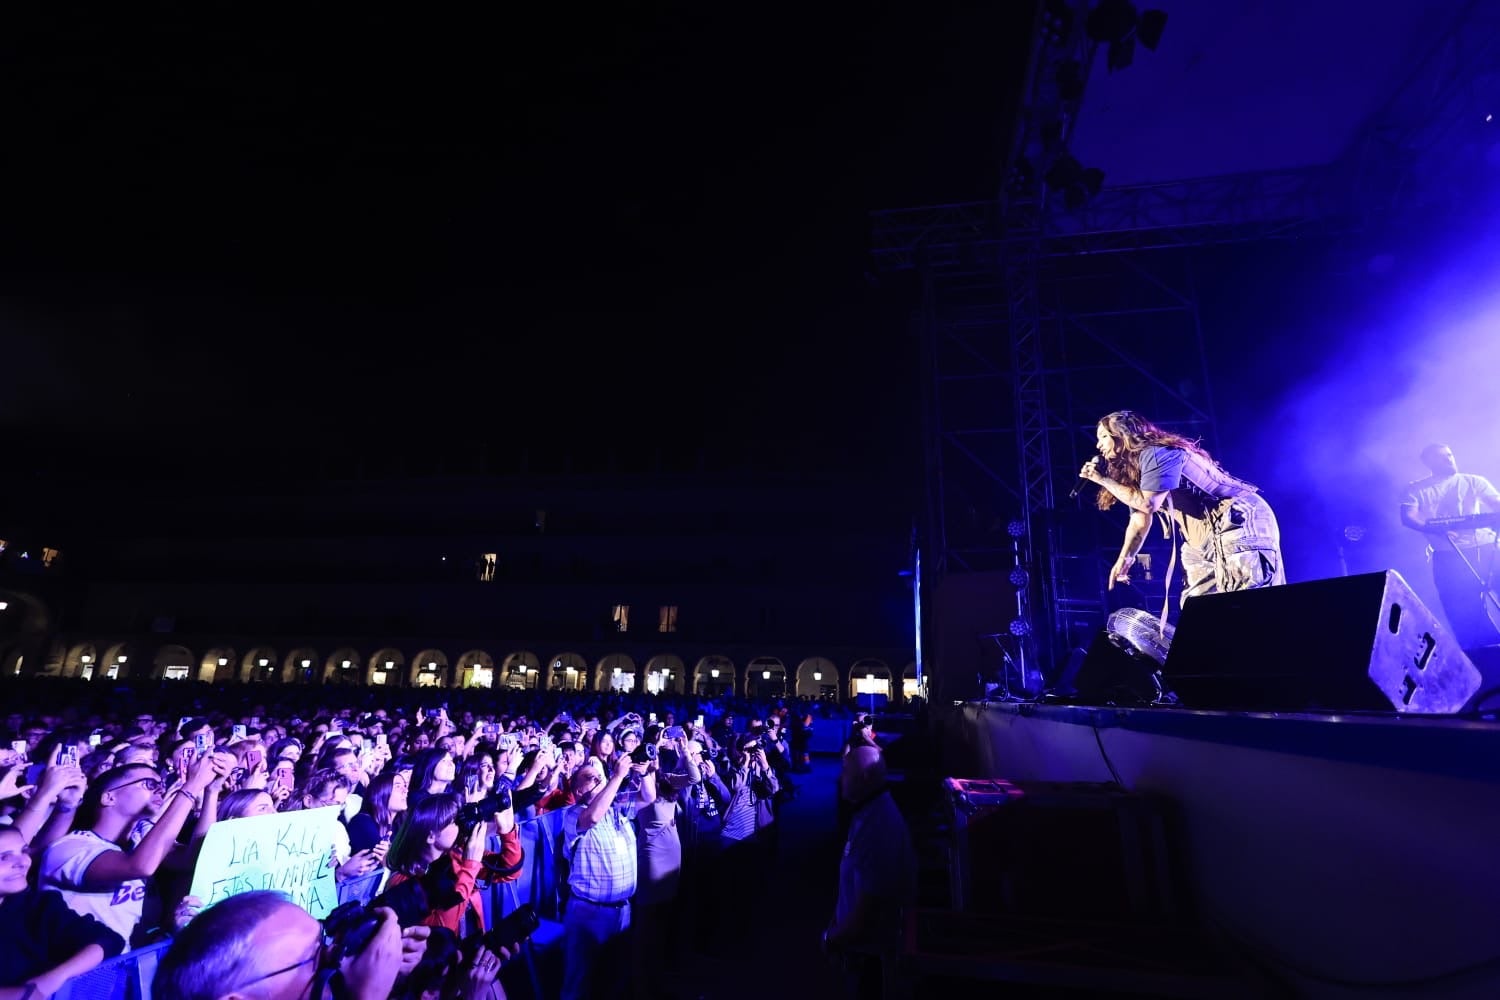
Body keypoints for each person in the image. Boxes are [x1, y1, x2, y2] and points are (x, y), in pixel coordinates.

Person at [1081, 410, 1285, 605]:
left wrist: (1103, 480)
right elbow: (1139, 517)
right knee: (1199, 609)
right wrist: (1125, 559)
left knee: (1247, 599)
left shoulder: (1157, 453)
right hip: (1201, 539)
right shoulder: (1137, 469)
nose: (1098, 445)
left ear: (1122, 435)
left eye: (1103, 436)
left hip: (1236, 519)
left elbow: (1148, 503)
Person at [822, 746, 916, 1000]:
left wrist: (832, 938)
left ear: (864, 778)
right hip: (857, 949)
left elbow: (869, 907)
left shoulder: (878, 828)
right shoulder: (867, 813)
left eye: (846, 771)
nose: (840, 778)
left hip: (867, 959)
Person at [1399, 443, 1500, 648]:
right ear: (1428, 463)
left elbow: (1496, 504)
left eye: (1449, 455)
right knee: (1464, 610)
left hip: (1487, 547)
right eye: (1441, 457)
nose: (1449, 459)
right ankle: (1488, 653)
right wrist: (1434, 529)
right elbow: (1408, 517)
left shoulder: (1473, 481)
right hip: (1448, 555)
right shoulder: (1415, 489)